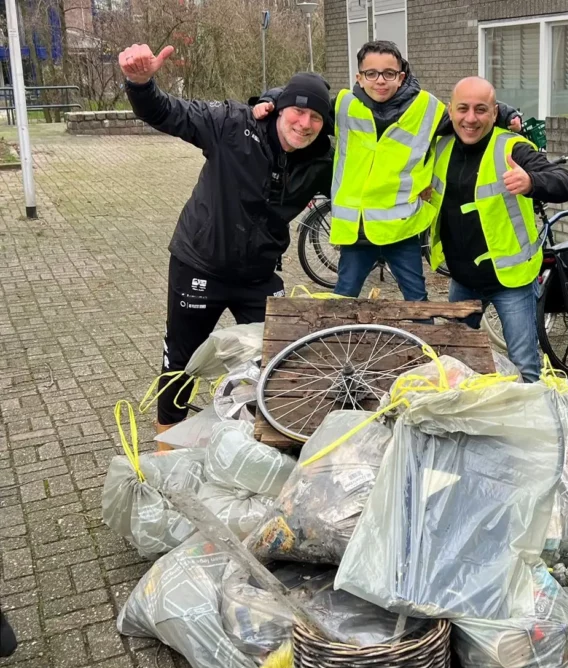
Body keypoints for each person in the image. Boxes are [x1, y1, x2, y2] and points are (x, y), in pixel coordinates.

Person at [118, 43, 335, 445]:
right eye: (297, 111)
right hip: (200, 264)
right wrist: (140, 82)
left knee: (281, 354)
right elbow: (165, 113)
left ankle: (277, 434)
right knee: (180, 361)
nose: (304, 124)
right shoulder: (231, 124)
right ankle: (167, 444)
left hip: (258, 274)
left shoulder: (324, 161)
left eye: (315, 117)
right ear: (281, 108)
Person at [254, 40, 521, 300]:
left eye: (389, 73)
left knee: (417, 302)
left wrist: (506, 114)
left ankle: (421, 345)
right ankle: (343, 346)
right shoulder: (344, 105)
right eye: (372, 73)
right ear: (359, 77)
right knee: (344, 301)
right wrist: (270, 98)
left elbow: (469, 111)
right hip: (356, 230)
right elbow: (304, 100)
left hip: (400, 229)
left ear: (401, 76)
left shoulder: (427, 109)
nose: (380, 80)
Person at [428, 77, 568, 383]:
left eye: (481, 109)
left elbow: (566, 181)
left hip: (511, 281)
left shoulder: (512, 148)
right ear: (450, 111)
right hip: (462, 280)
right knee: (456, 361)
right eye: (463, 109)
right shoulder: (440, 147)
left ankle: (531, 426)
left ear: (494, 113)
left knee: (524, 366)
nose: (471, 118)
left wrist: (532, 182)